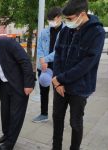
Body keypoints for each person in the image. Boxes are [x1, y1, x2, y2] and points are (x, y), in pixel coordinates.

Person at [51, 0, 106, 149]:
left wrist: (60, 78)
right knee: (57, 119)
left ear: (82, 14)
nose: (67, 22)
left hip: (80, 87)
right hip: (60, 85)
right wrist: (57, 81)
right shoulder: (65, 30)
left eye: (69, 19)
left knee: (75, 123)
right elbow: (58, 54)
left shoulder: (97, 32)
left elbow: (87, 63)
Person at [33, 7, 65, 123]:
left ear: (59, 17)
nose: (51, 22)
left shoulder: (66, 31)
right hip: (44, 66)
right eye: (49, 19)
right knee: (43, 90)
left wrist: (45, 59)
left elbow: (60, 50)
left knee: (58, 92)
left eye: (53, 19)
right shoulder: (44, 31)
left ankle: (58, 117)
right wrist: (42, 60)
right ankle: (43, 114)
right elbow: (40, 47)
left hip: (58, 67)